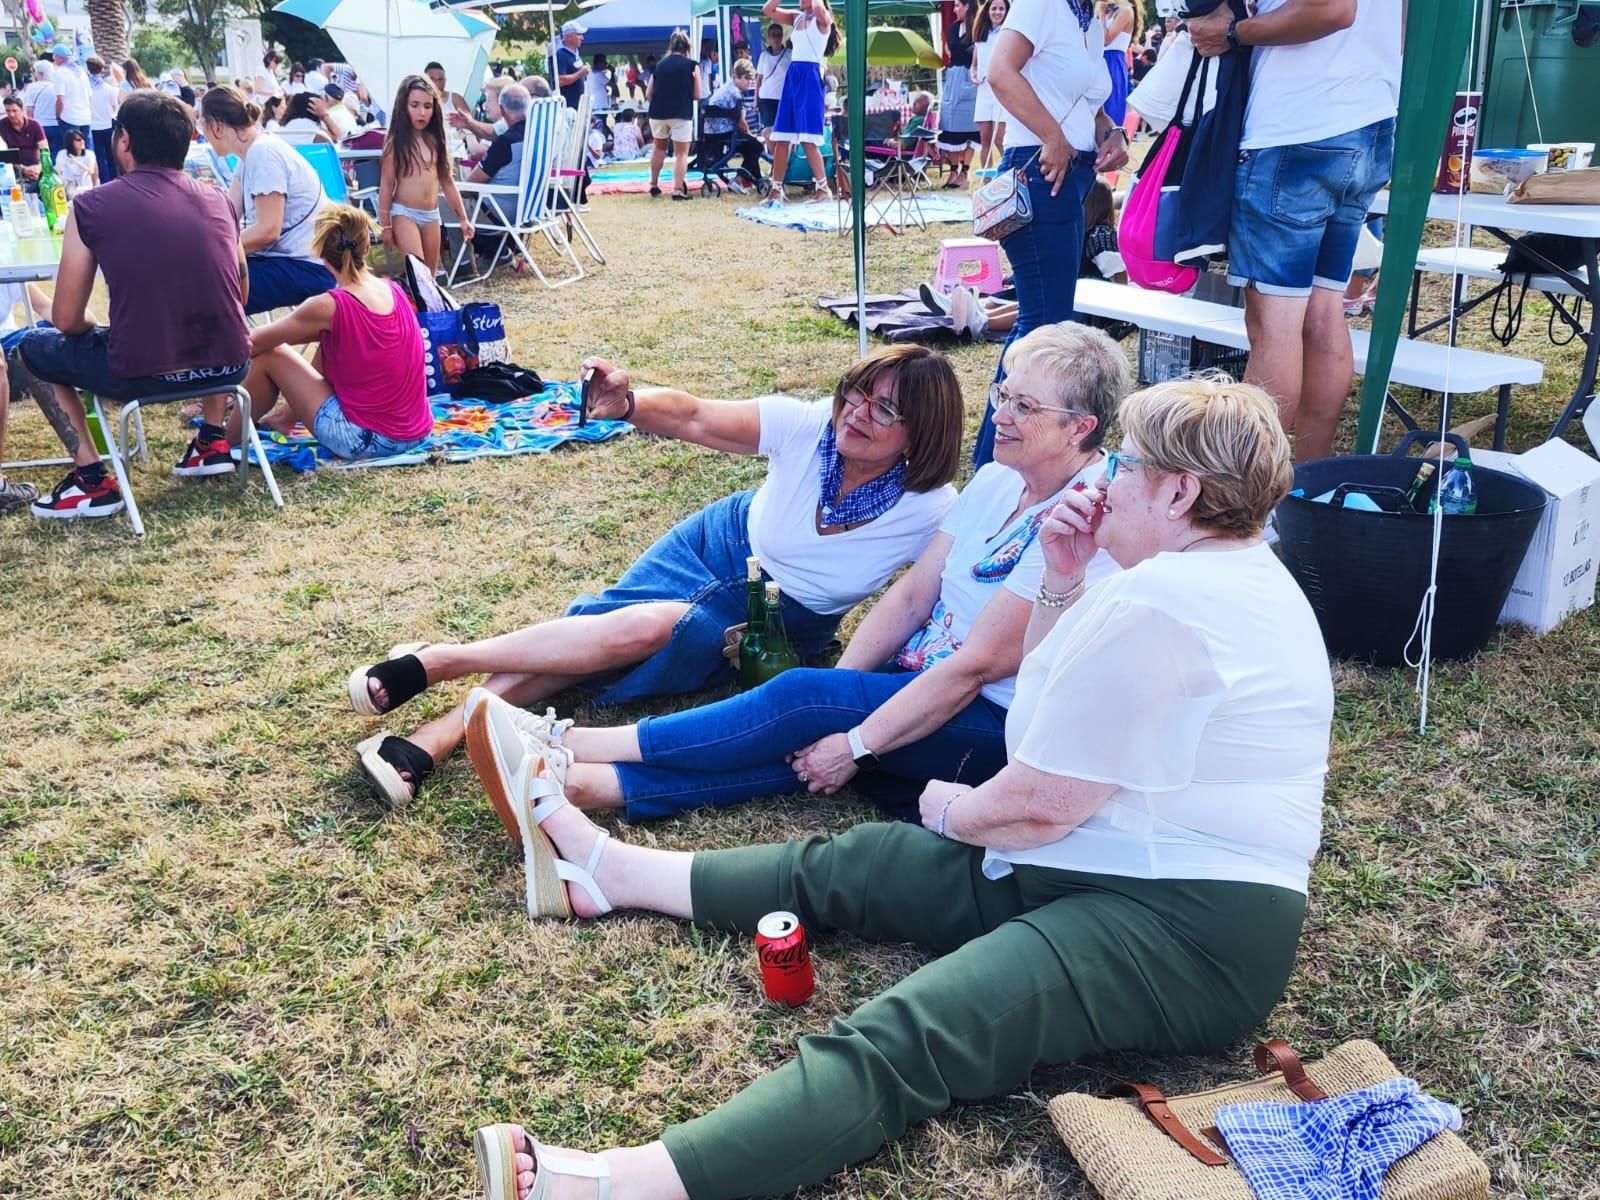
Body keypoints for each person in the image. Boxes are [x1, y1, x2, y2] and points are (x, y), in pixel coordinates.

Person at [462, 375, 1334, 1200]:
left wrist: (954, 808)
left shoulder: (1169, 601)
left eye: (1127, 465)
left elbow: (1038, 802)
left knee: (916, 1030)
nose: (1107, 480)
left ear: (1179, 493)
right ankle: (610, 874)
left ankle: (621, 1182)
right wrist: (1062, 578)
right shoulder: (1220, 575)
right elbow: (1054, 719)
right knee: (865, 862)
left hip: (1185, 930)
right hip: (1122, 865)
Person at [475, 325, 1128, 832]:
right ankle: (591, 788)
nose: (1002, 414)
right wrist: (849, 698)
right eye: (1003, 393)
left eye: (1023, 404)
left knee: (801, 705)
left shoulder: (1081, 520)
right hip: (919, 676)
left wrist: (853, 737)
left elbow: (977, 669)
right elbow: (910, 597)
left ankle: (563, 744)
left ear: (1081, 428)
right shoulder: (995, 481)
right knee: (805, 729)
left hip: (988, 720)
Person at [347, 344, 964, 806]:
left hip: (776, 622)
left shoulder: (931, 506)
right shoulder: (808, 428)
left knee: (635, 634)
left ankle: (441, 685)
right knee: (627, 631)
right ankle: (442, 702)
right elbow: (694, 416)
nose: (858, 412)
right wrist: (630, 404)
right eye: (858, 391)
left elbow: (930, 597)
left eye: (886, 410)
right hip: (718, 545)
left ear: (919, 435)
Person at [18, 89, 250, 518]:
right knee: (217, 323)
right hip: (230, 365)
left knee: (32, 349)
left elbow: (67, 319)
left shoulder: (90, 206)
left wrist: (91, 328)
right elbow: (240, 289)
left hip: (141, 374)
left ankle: (91, 479)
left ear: (123, 140)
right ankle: (211, 440)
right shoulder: (219, 199)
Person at [1188, 0, 1399, 463]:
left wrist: (1235, 32)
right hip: (1367, 118)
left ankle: (1248, 495)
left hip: (1297, 127)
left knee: (1275, 325)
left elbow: (1331, 9)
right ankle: (1306, 481)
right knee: (1323, 310)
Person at [973, 0, 1129, 467]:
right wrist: (1052, 136)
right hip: (1041, 174)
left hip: (1072, 177)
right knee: (1044, 329)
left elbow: (1088, 102)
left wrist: (1112, 132)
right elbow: (1001, 72)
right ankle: (998, 465)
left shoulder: (1091, 19)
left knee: (1043, 327)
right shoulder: (1042, 4)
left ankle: (1005, 462)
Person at [234, 205, 432, 462]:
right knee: (331, 341)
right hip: (417, 431)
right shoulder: (392, 289)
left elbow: (254, 343)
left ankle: (220, 441)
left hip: (369, 440)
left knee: (271, 354)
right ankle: (284, 418)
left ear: (319, 253)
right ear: (367, 248)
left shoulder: (330, 305)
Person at [199, 86, 335, 316]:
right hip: (293, 261)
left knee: (206, 294)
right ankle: (248, 346)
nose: (204, 133)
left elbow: (268, 231)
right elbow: (227, 215)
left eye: (202, 126)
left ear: (216, 125)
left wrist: (212, 250)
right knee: (199, 283)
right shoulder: (252, 153)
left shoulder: (262, 154)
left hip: (308, 266)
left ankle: (246, 348)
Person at [378, 74, 474, 275]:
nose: (421, 112)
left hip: (431, 215)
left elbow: (447, 182)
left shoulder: (436, 140)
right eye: (414, 105)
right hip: (404, 213)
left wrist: (463, 219)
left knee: (429, 277)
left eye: (427, 106)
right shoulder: (395, 143)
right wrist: (385, 225)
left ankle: (422, 307)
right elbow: (386, 185)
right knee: (418, 274)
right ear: (403, 105)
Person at [762, 0, 836, 202]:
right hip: (793, 76)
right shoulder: (797, 17)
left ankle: (823, 189)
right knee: (781, 136)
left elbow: (820, 8)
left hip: (810, 76)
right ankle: (776, 190)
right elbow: (768, 10)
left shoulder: (823, 19)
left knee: (807, 138)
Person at [0, 283, 57, 514]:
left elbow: (45, 307)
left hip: (10, 346)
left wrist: (87, 325)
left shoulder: (7, 263)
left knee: (48, 331)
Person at [465, 83, 532, 269]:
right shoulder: (536, 134)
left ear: (502, 110)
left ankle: (462, 263)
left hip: (498, 215)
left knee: (444, 202)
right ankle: (497, 252)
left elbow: (469, 187)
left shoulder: (505, 143)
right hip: (527, 211)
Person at [645, 30, 699, 201]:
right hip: (680, 112)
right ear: (687, 47)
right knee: (681, 154)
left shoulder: (659, 65)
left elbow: (648, 93)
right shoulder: (692, 65)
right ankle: (677, 190)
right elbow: (698, 94)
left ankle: (653, 184)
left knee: (659, 147)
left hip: (657, 112)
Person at [938, 0, 980, 188]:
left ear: (968, 6)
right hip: (954, 78)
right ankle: (953, 169)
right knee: (950, 125)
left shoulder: (979, 28)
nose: (955, 10)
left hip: (970, 78)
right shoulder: (954, 28)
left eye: (957, 6)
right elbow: (950, 51)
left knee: (971, 127)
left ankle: (965, 172)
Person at [705, 60, 763, 189]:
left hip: (711, 134)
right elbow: (742, 124)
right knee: (756, 146)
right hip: (727, 134)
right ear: (736, 77)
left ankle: (757, 180)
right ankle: (740, 178)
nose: (750, 82)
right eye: (747, 78)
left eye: (751, 78)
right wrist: (752, 135)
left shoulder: (725, 88)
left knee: (751, 147)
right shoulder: (736, 95)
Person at [971, 0, 1010, 173]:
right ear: (987, 11)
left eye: (1001, 9)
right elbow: (974, 63)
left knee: (1000, 139)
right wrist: (973, 75)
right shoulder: (981, 34)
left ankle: (1009, 172)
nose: (997, 12)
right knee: (985, 139)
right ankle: (986, 181)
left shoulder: (1008, 33)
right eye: (994, 8)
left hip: (1001, 91)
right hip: (984, 91)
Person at [1097, 1, 1139, 127]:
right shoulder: (1107, 9)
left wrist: (1101, 15)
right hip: (1098, 58)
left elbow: (1105, 40)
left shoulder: (1125, 11)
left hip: (1113, 61)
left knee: (1111, 106)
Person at [755, 23, 790, 147]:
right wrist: (756, 99)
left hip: (784, 98)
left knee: (783, 132)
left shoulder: (789, 54)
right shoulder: (763, 56)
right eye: (773, 35)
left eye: (778, 35)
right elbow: (759, 78)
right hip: (766, 99)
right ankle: (775, 160)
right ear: (769, 37)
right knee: (768, 133)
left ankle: (783, 162)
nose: (776, 38)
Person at [85, 56, 118, 182]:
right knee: (111, 157)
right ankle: (114, 180)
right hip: (107, 125)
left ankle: (104, 182)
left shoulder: (86, 89)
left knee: (98, 158)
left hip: (93, 127)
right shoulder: (110, 89)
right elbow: (115, 107)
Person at [0, 96, 46, 183]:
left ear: (22, 110)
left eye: (14, 111)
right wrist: (23, 169)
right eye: (8, 111)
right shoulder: (2, 125)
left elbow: (45, 150)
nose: (11, 114)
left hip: (36, 168)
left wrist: (39, 167)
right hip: (13, 168)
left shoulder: (35, 125)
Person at [25, 59, 57, 158]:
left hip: (39, 126)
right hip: (56, 125)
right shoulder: (56, 86)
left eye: (35, 72)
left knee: (43, 153)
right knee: (57, 152)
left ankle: (45, 172)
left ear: (40, 73)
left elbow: (29, 110)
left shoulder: (32, 87)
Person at [553, 21, 589, 109]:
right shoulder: (561, 54)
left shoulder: (575, 53)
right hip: (568, 107)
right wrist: (580, 73)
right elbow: (560, 81)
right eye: (579, 34)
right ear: (569, 37)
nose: (582, 38)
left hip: (578, 105)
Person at [53, 127, 97, 198]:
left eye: (83, 139)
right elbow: (57, 171)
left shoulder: (89, 154)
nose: (82, 141)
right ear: (70, 142)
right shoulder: (62, 154)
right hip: (70, 185)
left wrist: (77, 161)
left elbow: (91, 171)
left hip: (86, 185)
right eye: (78, 140)